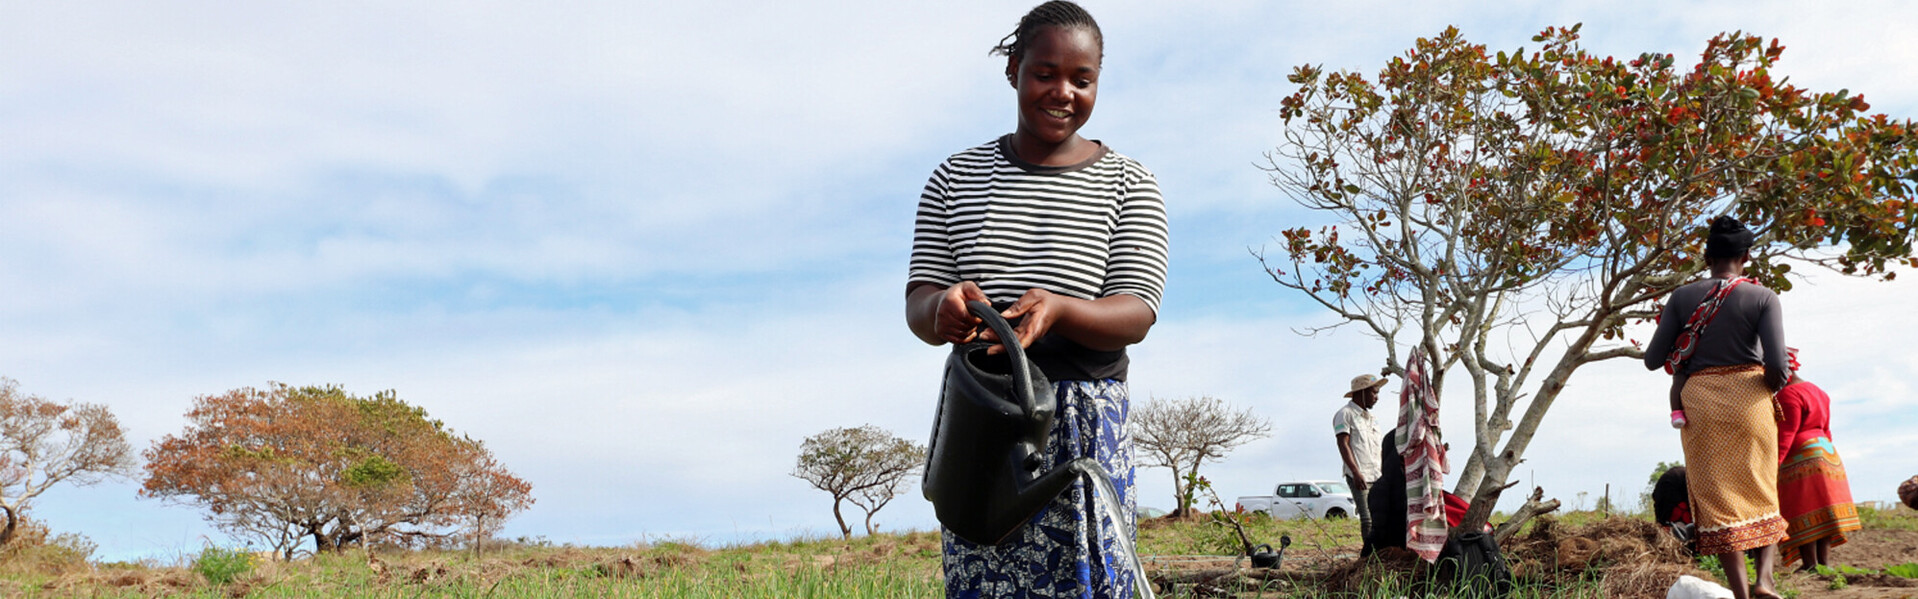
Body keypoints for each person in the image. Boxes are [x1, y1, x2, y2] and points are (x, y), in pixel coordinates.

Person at [904, 2, 1169, 596]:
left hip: (1083, 419)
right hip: (984, 418)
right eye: (1045, 73)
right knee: (985, 576)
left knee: (1091, 578)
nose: (1063, 92)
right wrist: (941, 307)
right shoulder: (955, 178)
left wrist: (1062, 309)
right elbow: (919, 300)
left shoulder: (1129, 181)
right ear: (1014, 70)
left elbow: (1137, 311)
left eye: (1082, 79)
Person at [1644, 215, 1791, 599]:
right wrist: (1766, 387)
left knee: (1718, 497)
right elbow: (1778, 365)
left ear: (1707, 256)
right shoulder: (1763, 297)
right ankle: (1766, 580)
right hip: (1750, 397)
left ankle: (1741, 593)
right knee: (1761, 486)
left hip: (1701, 403)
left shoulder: (1682, 297)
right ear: (1746, 256)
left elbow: (1653, 359)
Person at [1773, 348, 1863, 571]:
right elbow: (1826, 429)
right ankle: (1824, 564)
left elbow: (1787, 433)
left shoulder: (1788, 394)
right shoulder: (1818, 391)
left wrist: (1774, 464)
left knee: (1801, 510)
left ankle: (1811, 565)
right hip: (1826, 452)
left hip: (1802, 455)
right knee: (1822, 513)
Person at [1334, 373, 1387, 542]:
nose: (1377, 398)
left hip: (1377, 475)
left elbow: (1378, 448)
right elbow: (1343, 444)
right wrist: (1356, 473)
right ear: (1362, 392)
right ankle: (1369, 558)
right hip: (1359, 475)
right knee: (1367, 519)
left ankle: (1381, 553)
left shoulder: (1372, 419)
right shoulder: (1345, 414)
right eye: (1374, 393)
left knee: (1381, 517)